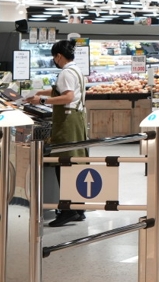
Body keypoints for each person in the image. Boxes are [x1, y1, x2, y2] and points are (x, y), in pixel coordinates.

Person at [26, 39, 88, 227]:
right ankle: (79, 209)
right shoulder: (76, 70)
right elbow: (58, 91)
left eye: (54, 57)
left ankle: (67, 211)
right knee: (75, 163)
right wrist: (40, 93)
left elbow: (67, 96)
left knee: (64, 163)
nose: (54, 60)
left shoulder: (65, 73)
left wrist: (41, 101)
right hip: (77, 119)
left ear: (59, 56)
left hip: (67, 122)